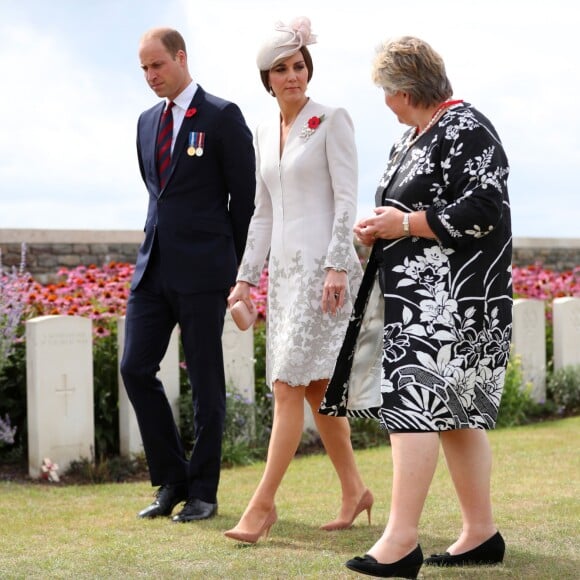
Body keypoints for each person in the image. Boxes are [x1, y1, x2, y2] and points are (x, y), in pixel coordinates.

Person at [319, 36, 512, 578]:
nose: (384, 101)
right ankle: (481, 534)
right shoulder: (411, 138)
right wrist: (379, 225)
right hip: (418, 301)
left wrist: (401, 224)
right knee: (455, 419)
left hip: (452, 303)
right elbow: (411, 209)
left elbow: (483, 209)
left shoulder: (467, 128)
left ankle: (400, 542)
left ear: (404, 90)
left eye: (386, 91)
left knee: (417, 412)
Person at [224, 17, 372, 544]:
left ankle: (262, 506)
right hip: (285, 280)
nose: (293, 76)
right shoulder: (263, 131)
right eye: (282, 68)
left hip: (325, 272)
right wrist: (245, 280)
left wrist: (338, 263)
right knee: (314, 388)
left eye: (300, 65)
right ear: (267, 77)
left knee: (287, 386)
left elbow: (348, 199)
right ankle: (355, 490)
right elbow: (261, 214)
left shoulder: (333, 120)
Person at [120, 27, 256, 523]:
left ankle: (203, 491)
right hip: (152, 270)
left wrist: (244, 273)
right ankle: (172, 479)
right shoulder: (144, 122)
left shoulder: (222, 117)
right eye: (144, 69)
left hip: (204, 273)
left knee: (205, 383)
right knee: (135, 367)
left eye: (157, 65)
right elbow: (158, 194)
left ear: (181, 58)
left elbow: (244, 204)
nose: (151, 76)